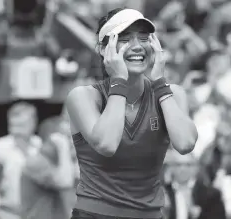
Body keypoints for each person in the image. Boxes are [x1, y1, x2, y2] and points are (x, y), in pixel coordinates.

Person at [66, 7, 198, 219]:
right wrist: (118, 81)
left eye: (144, 38)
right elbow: (107, 144)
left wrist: (159, 84)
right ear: (103, 49)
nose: (137, 46)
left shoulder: (171, 93)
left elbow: (185, 144)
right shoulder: (83, 96)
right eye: (125, 39)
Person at [0, 101, 42, 219]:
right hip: (7, 212)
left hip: (37, 212)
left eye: (21, 126)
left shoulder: (41, 145)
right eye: (12, 126)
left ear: (33, 123)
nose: (16, 132)